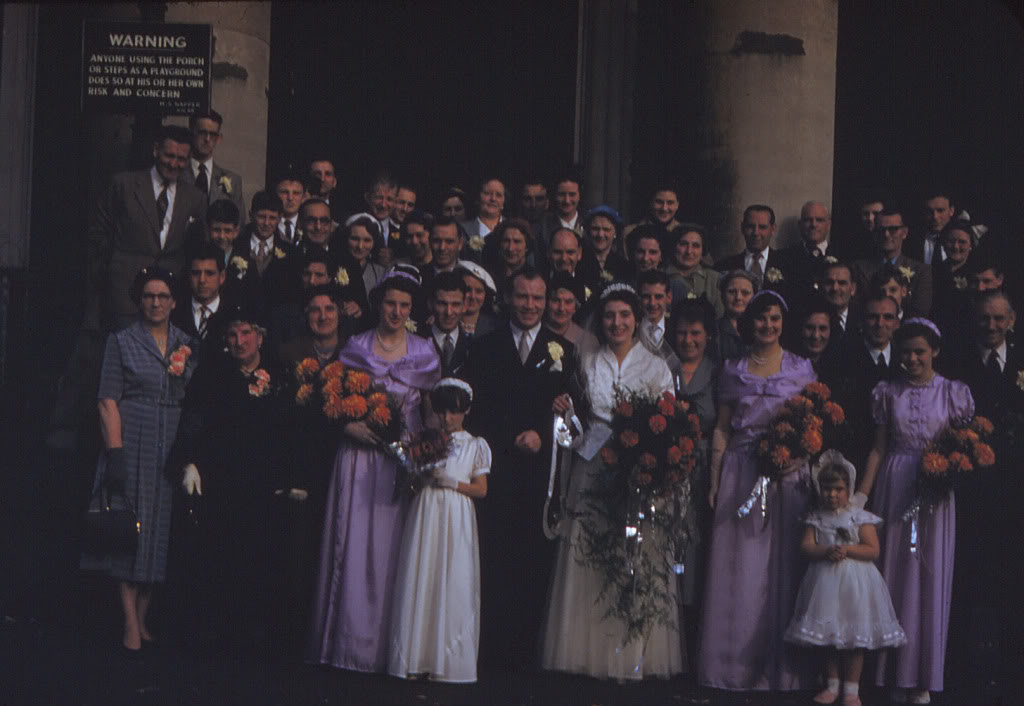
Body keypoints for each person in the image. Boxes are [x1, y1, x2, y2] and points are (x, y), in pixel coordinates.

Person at [541, 283, 683, 680]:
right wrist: (564, 410)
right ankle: (587, 650)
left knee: (634, 556)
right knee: (589, 554)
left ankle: (634, 654)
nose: (616, 323)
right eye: (609, 316)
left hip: (637, 471)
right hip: (593, 466)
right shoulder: (587, 363)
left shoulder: (656, 367)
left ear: (636, 320)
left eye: (624, 315)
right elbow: (579, 420)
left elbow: (668, 421)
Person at [308, 269, 441, 673]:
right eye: (390, 304)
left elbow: (432, 413)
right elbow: (333, 399)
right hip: (359, 459)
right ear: (378, 304)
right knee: (354, 548)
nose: (397, 312)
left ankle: (393, 650)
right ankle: (351, 647)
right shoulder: (356, 346)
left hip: (403, 462)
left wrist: (430, 452)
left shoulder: (425, 352)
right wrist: (347, 426)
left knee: (397, 551)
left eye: (404, 305)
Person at [698, 289, 817, 691]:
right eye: (761, 318)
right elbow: (721, 428)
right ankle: (732, 667)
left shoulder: (801, 368)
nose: (768, 325)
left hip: (787, 476)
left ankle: (782, 670)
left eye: (775, 319)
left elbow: (812, 426)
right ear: (750, 323)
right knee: (741, 570)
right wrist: (715, 481)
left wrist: (797, 459)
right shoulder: (733, 369)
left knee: (783, 569)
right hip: (742, 472)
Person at [464, 267, 580, 668]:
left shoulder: (563, 351)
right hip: (495, 471)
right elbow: (475, 411)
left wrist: (544, 436)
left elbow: (574, 419)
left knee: (533, 563)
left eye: (537, 298)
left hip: (538, 477)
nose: (530, 305)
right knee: (493, 559)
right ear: (508, 299)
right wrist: (505, 438)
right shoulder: (484, 347)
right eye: (523, 296)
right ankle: (489, 650)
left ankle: (525, 655)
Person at [854, 319, 974, 704]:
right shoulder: (887, 392)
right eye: (906, 352)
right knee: (895, 577)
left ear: (935, 351)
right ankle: (893, 674)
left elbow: (963, 446)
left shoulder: (952, 393)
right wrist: (861, 497)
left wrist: (948, 471)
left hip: (935, 492)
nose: (912, 359)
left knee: (930, 578)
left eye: (920, 351)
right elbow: (878, 449)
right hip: (896, 485)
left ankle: (923, 677)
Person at [82, 267, 198, 652]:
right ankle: (130, 622)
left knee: (158, 533)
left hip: (171, 444)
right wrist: (115, 452)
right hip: (133, 440)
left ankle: (143, 617)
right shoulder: (122, 341)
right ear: (139, 300)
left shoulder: (187, 343)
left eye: (163, 296)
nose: (156, 303)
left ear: (174, 302)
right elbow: (107, 401)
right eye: (149, 296)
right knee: (128, 532)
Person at [169, 303, 296, 652]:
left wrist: (291, 477)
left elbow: (290, 432)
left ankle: (255, 635)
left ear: (260, 337)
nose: (240, 341)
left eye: (246, 333)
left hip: (263, 484)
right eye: (232, 335)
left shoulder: (280, 375)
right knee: (218, 556)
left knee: (261, 558)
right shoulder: (212, 375)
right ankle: (217, 634)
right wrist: (189, 462)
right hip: (221, 482)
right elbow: (193, 420)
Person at [388, 378, 491, 683]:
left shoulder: (475, 445)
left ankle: (448, 660)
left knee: (453, 575)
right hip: (427, 510)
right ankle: (416, 655)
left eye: (454, 412)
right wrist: (421, 476)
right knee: (424, 572)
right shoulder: (426, 441)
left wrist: (453, 483)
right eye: (442, 412)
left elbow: (481, 489)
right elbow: (410, 483)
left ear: (466, 411)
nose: (447, 418)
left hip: (456, 513)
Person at [784, 452, 906, 706]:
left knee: (854, 638)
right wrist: (825, 551)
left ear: (848, 489)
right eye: (826, 489)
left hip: (856, 585)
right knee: (828, 637)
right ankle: (831, 683)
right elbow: (806, 546)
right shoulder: (816, 517)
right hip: (824, 584)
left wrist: (848, 550)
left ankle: (852, 688)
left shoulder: (859, 517)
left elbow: (872, 550)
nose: (832, 495)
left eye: (838, 489)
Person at [87, 124, 206, 332]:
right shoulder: (123, 185)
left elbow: (195, 248)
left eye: (181, 159)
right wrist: (111, 275)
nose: (174, 164)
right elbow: (99, 235)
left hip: (170, 302)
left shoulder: (195, 198)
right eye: (169, 156)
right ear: (155, 150)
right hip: (124, 298)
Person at [666, 296, 719, 658]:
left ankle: (694, 630)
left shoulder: (717, 372)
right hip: (668, 464)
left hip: (702, 467)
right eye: (683, 333)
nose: (688, 340)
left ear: (707, 336)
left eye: (695, 333)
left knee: (697, 543)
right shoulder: (663, 368)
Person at [852, 210, 933, 317]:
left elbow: (920, 313)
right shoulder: (858, 268)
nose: (886, 234)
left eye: (893, 229)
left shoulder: (921, 271)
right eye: (881, 230)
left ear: (904, 232)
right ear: (875, 233)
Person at [185, 109, 246, 226]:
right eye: (202, 133)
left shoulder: (233, 180)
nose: (207, 139)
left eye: (212, 135)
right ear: (191, 133)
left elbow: (238, 224)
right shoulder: (177, 174)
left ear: (218, 138)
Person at [714, 204, 785, 284]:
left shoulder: (786, 265)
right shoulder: (725, 266)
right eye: (750, 226)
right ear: (742, 228)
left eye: (762, 227)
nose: (756, 233)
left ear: (773, 229)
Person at [663, 224, 724, 317]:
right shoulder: (661, 277)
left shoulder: (715, 279)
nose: (689, 251)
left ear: (703, 250)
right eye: (683, 244)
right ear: (674, 246)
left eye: (696, 245)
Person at [716, 270, 757, 362]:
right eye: (732, 292)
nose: (738, 297)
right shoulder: (712, 330)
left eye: (745, 293)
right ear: (722, 296)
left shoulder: (761, 329)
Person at [458, 261, 499, 338]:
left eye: (479, 291)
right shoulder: (445, 323)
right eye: (467, 289)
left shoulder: (496, 328)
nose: (473, 296)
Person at [461, 177, 506, 241]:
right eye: (487, 193)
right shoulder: (463, 229)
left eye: (498, 195)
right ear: (478, 197)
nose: (493, 199)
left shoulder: (513, 228)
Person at [274, 175, 305, 245]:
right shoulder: (266, 224)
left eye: (296, 193)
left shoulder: (308, 225)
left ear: (303, 197)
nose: (290, 198)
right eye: (284, 192)